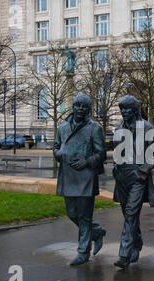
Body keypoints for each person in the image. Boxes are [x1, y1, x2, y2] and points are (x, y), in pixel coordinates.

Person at [53, 94, 107, 266]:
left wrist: (87, 161)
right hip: (68, 176)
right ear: (73, 107)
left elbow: (101, 153)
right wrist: (58, 154)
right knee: (71, 213)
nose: (80, 109)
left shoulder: (94, 128)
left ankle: (83, 252)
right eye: (78, 105)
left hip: (86, 177)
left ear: (88, 109)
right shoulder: (62, 128)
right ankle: (96, 232)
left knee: (84, 216)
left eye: (84, 106)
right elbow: (55, 147)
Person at [112, 95, 154, 269]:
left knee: (131, 213)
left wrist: (143, 171)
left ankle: (124, 254)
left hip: (137, 178)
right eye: (122, 108)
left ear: (135, 109)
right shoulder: (118, 129)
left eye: (128, 108)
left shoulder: (147, 127)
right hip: (122, 178)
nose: (124, 112)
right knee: (128, 214)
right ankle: (136, 243)